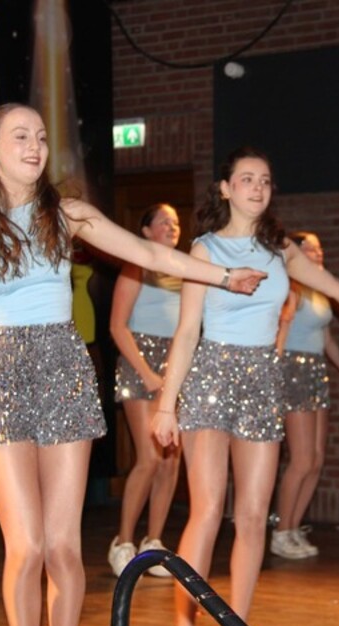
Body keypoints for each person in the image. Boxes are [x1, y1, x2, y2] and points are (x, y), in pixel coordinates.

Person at [0, 103, 265, 626]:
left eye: (41, 137)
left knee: (63, 547)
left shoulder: (66, 214)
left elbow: (148, 252)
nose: (35, 147)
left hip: (62, 370)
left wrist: (223, 276)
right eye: (20, 136)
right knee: (27, 547)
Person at [153, 146, 339, 626]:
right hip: (212, 376)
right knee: (207, 511)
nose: (257, 187)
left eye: (265, 180)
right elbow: (186, 332)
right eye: (246, 179)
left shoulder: (281, 250)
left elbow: (337, 288)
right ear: (226, 189)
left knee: (252, 516)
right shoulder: (204, 250)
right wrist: (165, 405)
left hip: (263, 380)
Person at [107, 203, 184, 578]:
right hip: (141, 365)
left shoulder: (185, 269)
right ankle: (122, 542)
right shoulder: (136, 266)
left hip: (174, 367)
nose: (172, 226)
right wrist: (148, 373)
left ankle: (153, 542)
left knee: (171, 461)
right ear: (146, 230)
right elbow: (117, 326)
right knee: (150, 457)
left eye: (176, 222)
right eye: (164, 221)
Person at [271, 231, 339, 559]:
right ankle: (281, 532)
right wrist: (273, 374)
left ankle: (293, 527)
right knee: (302, 458)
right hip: (293, 370)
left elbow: (325, 336)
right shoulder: (292, 287)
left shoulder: (321, 289)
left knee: (317, 458)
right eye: (309, 248)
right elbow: (280, 330)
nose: (317, 253)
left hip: (316, 370)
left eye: (320, 248)